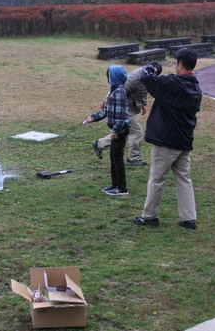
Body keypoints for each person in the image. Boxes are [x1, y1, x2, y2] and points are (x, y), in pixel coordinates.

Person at [133, 48, 202, 229]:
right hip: (184, 140)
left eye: (175, 63)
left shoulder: (172, 83)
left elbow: (146, 78)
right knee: (184, 179)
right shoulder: (196, 87)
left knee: (157, 178)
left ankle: (149, 216)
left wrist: (152, 67)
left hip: (166, 141)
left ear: (180, 64)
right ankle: (189, 218)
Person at [92, 62, 163, 166]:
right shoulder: (135, 77)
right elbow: (117, 90)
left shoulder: (148, 77)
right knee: (137, 132)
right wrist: (104, 102)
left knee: (123, 132)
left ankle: (99, 144)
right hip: (125, 108)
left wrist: (142, 104)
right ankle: (134, 158)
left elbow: (141, 91)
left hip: (132, 106)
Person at [84, 65, 131, 196]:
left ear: (113, 78)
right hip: (117, 130)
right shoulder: (113, 92)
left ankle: (121, 188)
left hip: (120, 131)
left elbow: (121, 115)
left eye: (108, 77)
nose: (107, 79)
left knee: (117, 159)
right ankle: (114, 184)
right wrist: (93, 118)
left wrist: (115, 131)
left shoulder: (119, 92)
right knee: (113, 157)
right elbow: (106, 111)